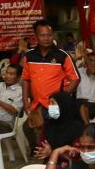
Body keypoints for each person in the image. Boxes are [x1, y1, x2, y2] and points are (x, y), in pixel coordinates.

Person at [20, 19, 80, 149]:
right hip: (36, 104)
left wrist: (62, 98)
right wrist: (25, 100)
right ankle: (43, 157)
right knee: (30, 128)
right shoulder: (29, 56)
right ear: (36, 37)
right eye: (42, 35)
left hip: (54, 106)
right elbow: (25, 79)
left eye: (49, 35)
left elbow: (75, 79)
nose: (47, 38)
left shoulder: (62, 56)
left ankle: (52, 158)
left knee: (51, 133)